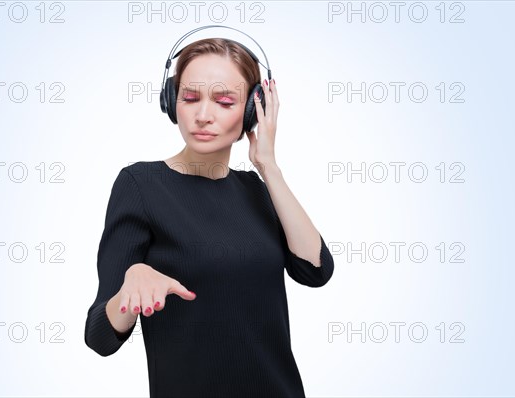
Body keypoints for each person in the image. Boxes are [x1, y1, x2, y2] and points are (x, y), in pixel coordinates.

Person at [84, 37, 335, 398]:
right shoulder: (141, 185)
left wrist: (269, 166)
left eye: (224, 101)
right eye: (189, 98)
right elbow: (99, 337)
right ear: (171, 103)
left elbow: (315, 270)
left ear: (252, 109)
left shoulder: (257, 189)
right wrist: (131, 283)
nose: (203, 115)